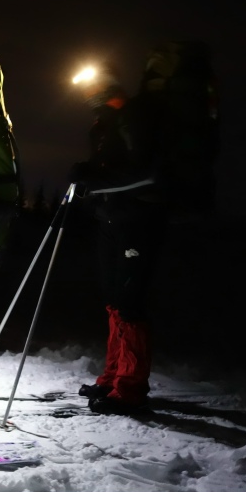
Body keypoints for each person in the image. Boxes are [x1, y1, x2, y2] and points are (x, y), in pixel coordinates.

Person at [68, 64, 167, 415]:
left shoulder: (133, 116)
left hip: (137, 221)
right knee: (113, 300)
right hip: (112, 220)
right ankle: (113, 377)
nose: (86, 92)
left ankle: (131, 387)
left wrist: (96, 183)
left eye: (91, 85)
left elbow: (149, 174)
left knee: (129, 302)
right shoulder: (105, 123)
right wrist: (89, 175)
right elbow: (113, 170)